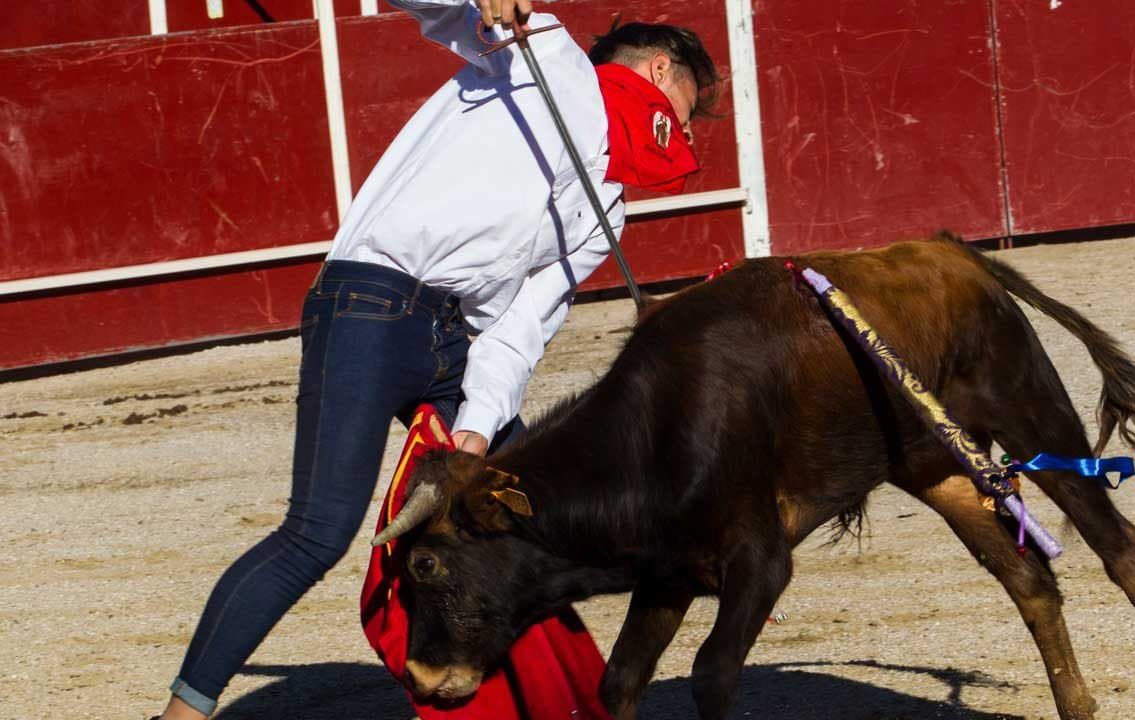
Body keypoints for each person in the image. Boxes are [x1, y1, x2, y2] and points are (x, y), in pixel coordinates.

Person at [152, 0, 717, 717]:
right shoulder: (542, 51)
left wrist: (477, 427)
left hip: (455, 342)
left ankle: (518, 694)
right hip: (369, 306)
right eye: (690, 108)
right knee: (317, 532)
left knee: (520, 509)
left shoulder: (607, 207)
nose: (686, 132)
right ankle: (180, 715)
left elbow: (519, 328)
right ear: (659, 68)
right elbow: (434, 8)